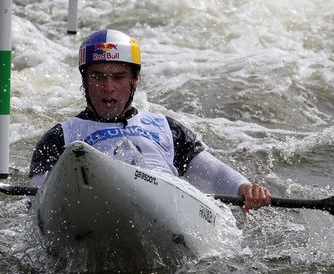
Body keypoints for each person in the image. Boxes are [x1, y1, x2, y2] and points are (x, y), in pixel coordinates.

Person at [29, 29, 271, 213]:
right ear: (85, 80)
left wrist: (244, 188)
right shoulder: (61, 137)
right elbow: (36, 206)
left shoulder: (166, 127)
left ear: (135, 81)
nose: (108, 88)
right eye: (98, 77)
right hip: (92, 212)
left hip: (162, 208)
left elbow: (213, 174)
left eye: (119, 77)